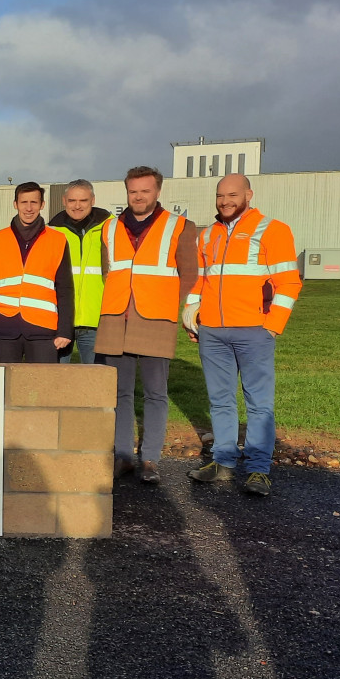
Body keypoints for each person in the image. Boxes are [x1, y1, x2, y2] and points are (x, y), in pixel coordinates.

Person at [185, 173, 302, 496]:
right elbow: (199, 280)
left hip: (255, 331)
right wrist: (193, 314)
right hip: (213, 331)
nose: (225, 201)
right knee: (220, 400)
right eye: (220, 196)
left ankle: (258, 470)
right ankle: (223, 462)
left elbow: (289, 282)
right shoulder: (208, 235)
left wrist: (272, 325)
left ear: (248, 195)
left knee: (259, 404)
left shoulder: (273, 230)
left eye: (232, 195)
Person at [94, 166, 198, 485]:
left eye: (145, 190)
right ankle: (123, 456)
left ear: (157, 192)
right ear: (127, 192)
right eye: (133, 191)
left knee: (156, 393)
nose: (138, 196)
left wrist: (171, 304)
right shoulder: (109, 227)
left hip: (157, 318)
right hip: (116, 317)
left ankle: (150, 458)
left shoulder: (181, 226)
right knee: (120, 392)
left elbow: (190, 274)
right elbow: (107, 272)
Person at [0, 182, 73, 362]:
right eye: (24, 202)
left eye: (34, 202)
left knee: (41, 387)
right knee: (4, 386)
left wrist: (64, 330)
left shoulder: (58, 240)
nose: (29, 208)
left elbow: (65, 288)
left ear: (42, 205)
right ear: (15, 204)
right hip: (3, 327)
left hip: (43, 330)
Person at [49, 179, 110, 365]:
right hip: (58, 320)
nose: (77, 206)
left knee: (94, 379)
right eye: (72, 201)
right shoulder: (51, 231)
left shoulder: (111, 228)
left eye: (83, 200)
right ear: (64, 201)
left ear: (92, 200)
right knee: (55, 378)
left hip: (96, 320)